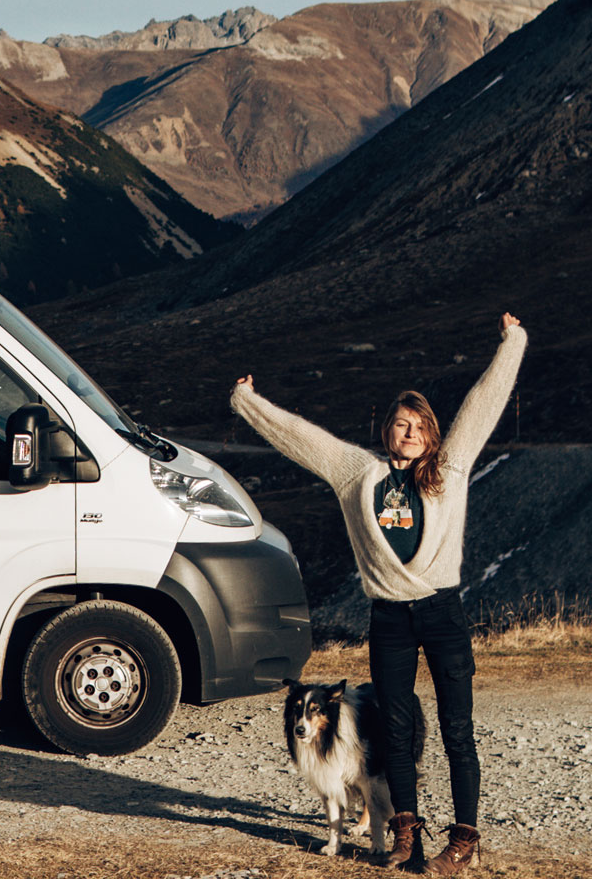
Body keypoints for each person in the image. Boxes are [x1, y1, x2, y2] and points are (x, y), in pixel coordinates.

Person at [231, 313, 527, 874]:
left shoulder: (452, 466)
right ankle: (406, 834)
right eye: (399, 423)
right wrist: (249, 401)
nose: (408, 432)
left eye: (418, 425)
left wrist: (512, 342)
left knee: (456, 728)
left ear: (432, 434)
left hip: (442, 612)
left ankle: (463, 840)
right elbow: (303, 439)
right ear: (386, 431)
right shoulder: (357, 474)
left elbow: (483, 402)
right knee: (393, 727)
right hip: (389, 617)